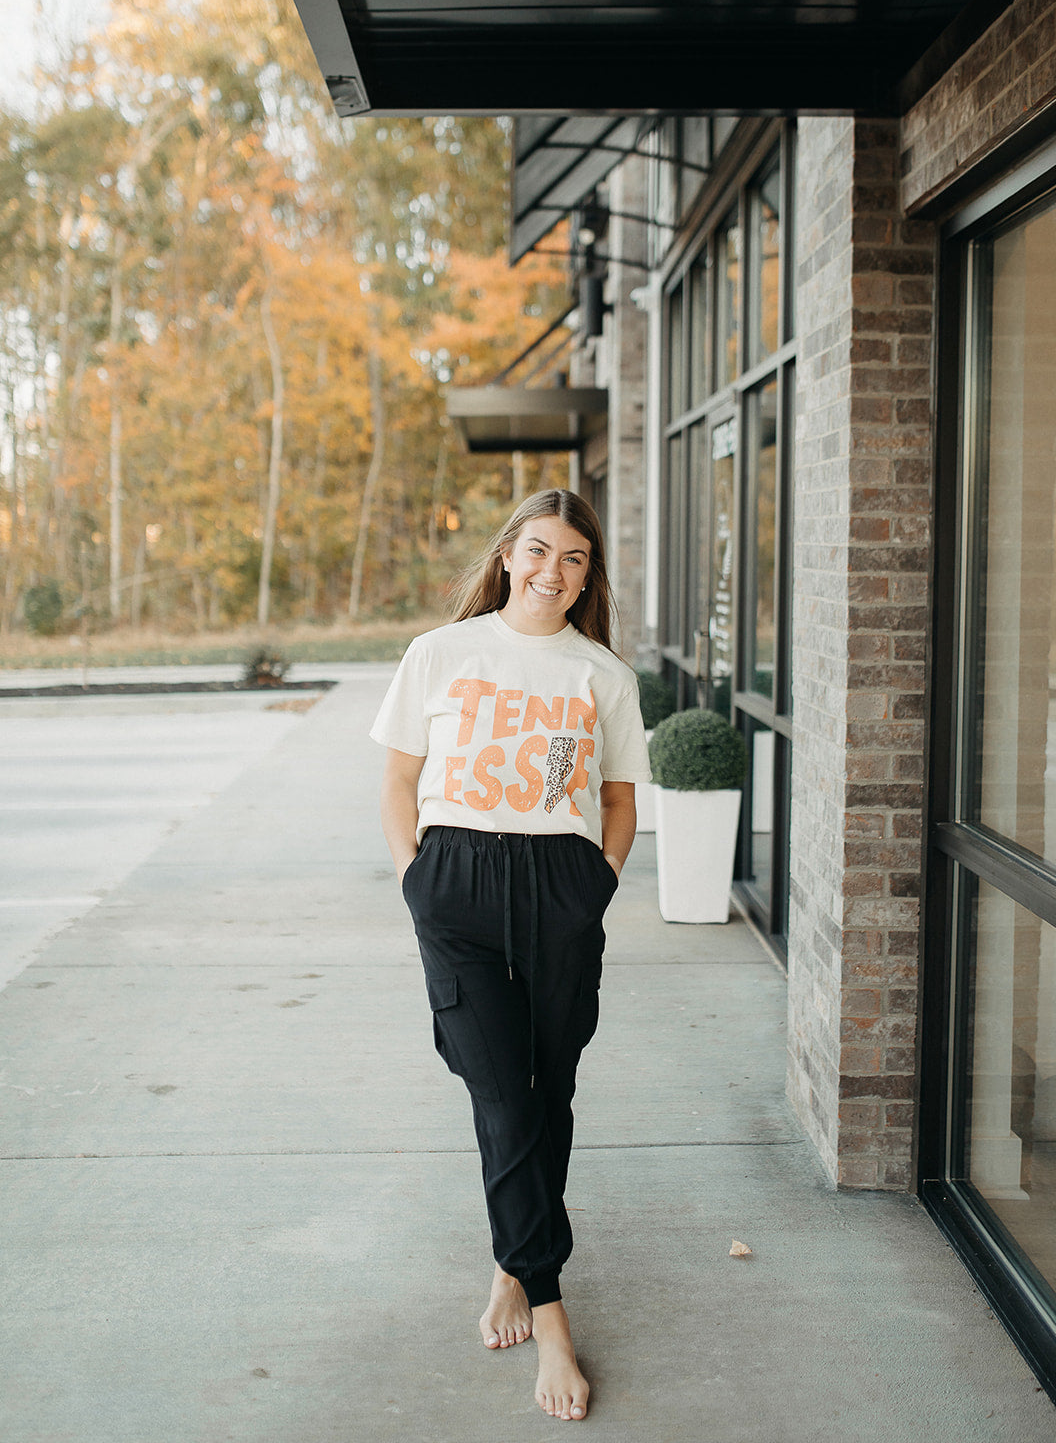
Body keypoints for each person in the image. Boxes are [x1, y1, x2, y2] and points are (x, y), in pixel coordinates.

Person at [370, 488, 651, 1423]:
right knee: (500, 1090)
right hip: (454, 884)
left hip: (559, 890)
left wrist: (597, 885)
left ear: (587, 573)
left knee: (548, 1090)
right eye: (536, 551)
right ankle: (551, 1312)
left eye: (572, 558)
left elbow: (617, 798)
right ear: (505, 555)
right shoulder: (439, 655)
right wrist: (417, 878)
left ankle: (507, 1266)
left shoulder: (600, 673)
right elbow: (400, 780)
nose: (550, 572)